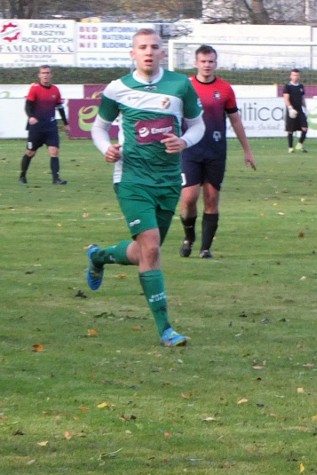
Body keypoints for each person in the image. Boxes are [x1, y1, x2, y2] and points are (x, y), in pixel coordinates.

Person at [86, 28, 205, 347]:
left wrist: (183, 141)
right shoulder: (118, 89)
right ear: (133, 53)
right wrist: (106, 149)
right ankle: (166, 329)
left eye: (154, 47)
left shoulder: (180, 85)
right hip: (132, 179)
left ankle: (99, 256)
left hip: (167, 181)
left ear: (162, 52)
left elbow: (197, 126)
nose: (149, 52)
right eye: (142, 47)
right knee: (151, 248)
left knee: (144, 252)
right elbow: (98, 128)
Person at [178, 44, 256, 260]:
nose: (207, 65)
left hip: (215, 151)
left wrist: (247, 150)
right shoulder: (185, 87)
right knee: (189, 198)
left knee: (212, 198)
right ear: (196, 63)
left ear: (216, 63)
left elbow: (235, 119)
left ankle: (205, 248)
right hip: (190, 150)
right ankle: (189, 237)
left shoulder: (225, 89)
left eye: (211, 61)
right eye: (203, 61)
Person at [19, 65, 68, 185]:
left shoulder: (55, 90)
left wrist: (66, 123)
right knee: (30, 152)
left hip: (50, 127)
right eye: (43, 73)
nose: (45, 75)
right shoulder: (34, 89)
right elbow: (28, 105)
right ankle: (22, 175)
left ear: (51, 75)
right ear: (39, 75)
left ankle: (56, 179)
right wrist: (31, 116)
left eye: (48, 73)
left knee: (54, 151)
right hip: (36, 128)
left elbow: (60, 107)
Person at [283, 69, 308, 153]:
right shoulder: (287, 86)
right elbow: (286, 98)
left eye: (297, 75)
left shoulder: (301, 86)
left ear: (299, 76)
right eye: (293, 75)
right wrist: (290, 108)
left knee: (305, 128)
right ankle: (290, 147)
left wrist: (305, 108)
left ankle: (299, 144)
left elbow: (302, 98)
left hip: (300, 110)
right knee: (291, 130)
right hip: (291, 110)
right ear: (291, 76)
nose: (295, 77)